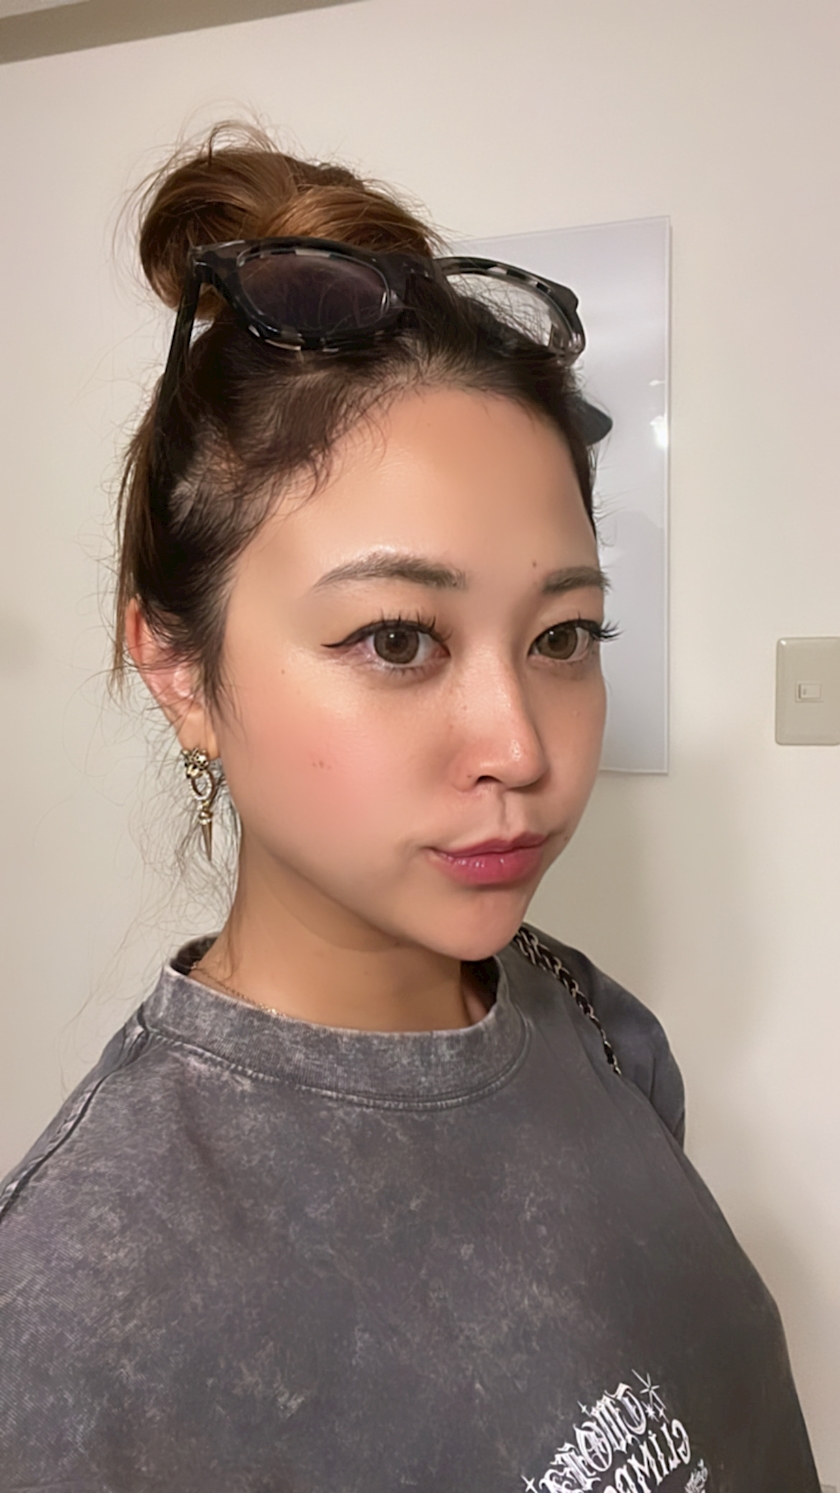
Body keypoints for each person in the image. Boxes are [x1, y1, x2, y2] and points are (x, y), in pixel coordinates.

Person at [0, 124, 820, 1493]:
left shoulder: (597, 1027)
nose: (521, 746)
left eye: (563, 636)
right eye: (397, 639)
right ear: (179, 668)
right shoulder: (74, 1326)